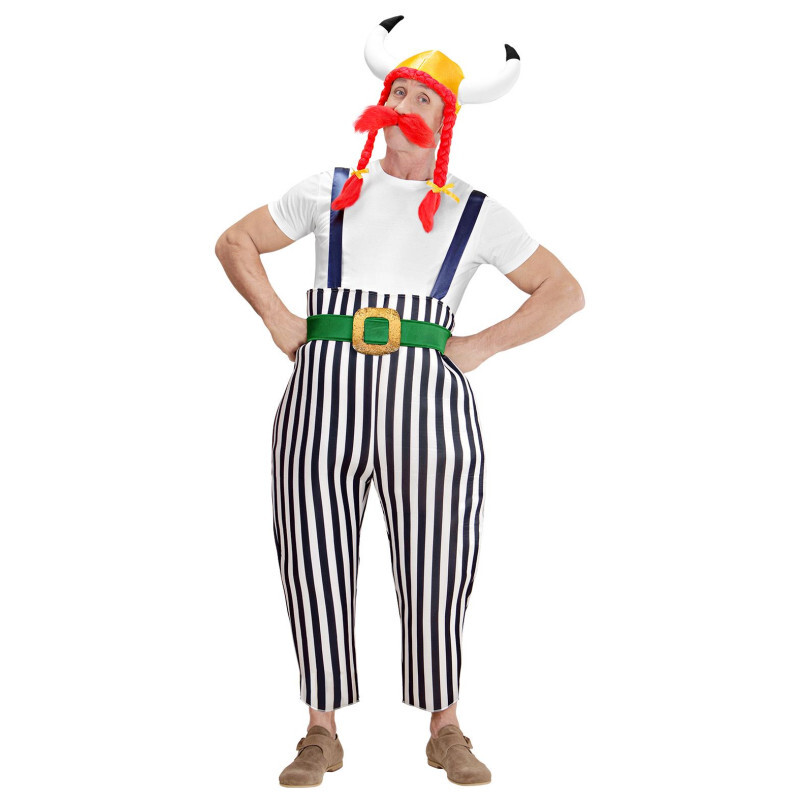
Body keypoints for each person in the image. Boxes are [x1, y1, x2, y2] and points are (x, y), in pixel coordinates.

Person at [215, 16, 585, 788]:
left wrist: (480, 345)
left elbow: (563, 291)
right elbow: (234, 241)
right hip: (322, 395)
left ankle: (445, 727)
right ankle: (320, 731)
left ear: (447, 120)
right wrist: (279, 319)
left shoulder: (476, 211)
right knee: (312, 552)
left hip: (431, 405)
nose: (406, 106)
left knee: (439, 556)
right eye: (399, 91)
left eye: (424, 99)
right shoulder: (328, 189)